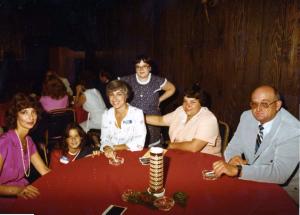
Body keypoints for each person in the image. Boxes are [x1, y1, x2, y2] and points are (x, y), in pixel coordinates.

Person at [212, 85, 299, 203]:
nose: (258, 109)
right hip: (252, 180)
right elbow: (233, 147)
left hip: (286, 191)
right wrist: (234, 158)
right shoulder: (247, 116)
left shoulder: (293, 130)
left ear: (277, 105)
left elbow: (279, 174)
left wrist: (238, 170)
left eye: (264, 104)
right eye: (254, 103)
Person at [0, 93, 50, 203]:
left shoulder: (29, 141)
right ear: (15, 115)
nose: (31, 117)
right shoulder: (4, 142)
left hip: (24, 191)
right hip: (6, 199)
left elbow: (45, 171)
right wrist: (17, 190)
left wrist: (69, 179)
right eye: (24, 112)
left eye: (33, 112)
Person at [146, 84, 221, 156]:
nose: (187, 105)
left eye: (193, 102)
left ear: (201, 103)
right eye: (185, 101)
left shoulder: (209, 119)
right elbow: (160, 120)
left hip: (206, 160)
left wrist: (171, 145)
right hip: (181, 155)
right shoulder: (180, 111)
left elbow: (194, 147)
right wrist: (139, 117)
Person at [120, 55, 175, 147]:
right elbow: (114, 88)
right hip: (133, 121)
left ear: (150, 68)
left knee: (152, 146)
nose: (141, 69)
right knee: (134, 147)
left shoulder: (157, 80)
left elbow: (172, 88)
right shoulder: (127, 80)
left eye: (144, 66)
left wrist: (159, 100)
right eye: (138, 67)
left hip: (153, 121)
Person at [100, 80, 146, 159]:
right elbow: (104, 138)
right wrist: (107, 148)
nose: (114, 98)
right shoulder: (106, 115)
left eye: (119, 94)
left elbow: (139, 142)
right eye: (111, 94)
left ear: (126, 96)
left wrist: (114, 148)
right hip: (110, 156)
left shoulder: (137, 113)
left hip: (131, 156)